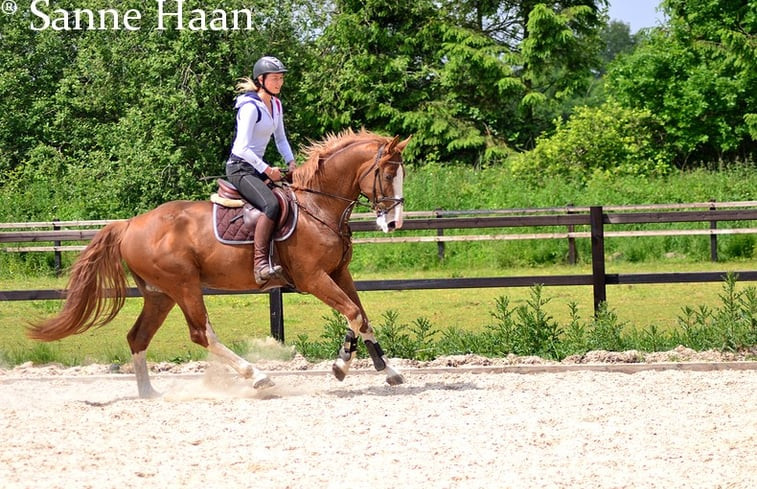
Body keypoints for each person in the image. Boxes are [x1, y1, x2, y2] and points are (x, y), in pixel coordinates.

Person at [226, 56, 296, 284]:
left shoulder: (276, 105)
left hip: (256, 169)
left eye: (281, 78)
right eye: (275, 78)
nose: (279, 83)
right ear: (261, 80)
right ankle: (260, 265)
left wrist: (292, 162)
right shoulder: (249, 107)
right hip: (240, 168)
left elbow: (281, 138)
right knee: (271, 204)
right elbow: (242, 148)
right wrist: (267, 169)